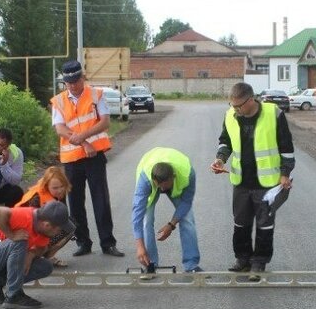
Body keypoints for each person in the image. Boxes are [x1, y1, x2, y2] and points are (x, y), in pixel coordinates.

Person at [212, 82, 295, 275]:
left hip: (267, 183)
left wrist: (285, 173)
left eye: (239, 106)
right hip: (241, 181)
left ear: (251, 100)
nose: (235, 109)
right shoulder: (230, 115)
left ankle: (259, 262)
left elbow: (286, 146)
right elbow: (225, 141)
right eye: (232, 105)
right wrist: (220, 159)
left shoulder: (273, 114)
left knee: (265, 224)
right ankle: (243, 259)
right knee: (240, 223)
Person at [51, 59, 123, 258]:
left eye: (76, 81)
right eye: (69, 83)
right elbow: (60, 128)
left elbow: (105, 122)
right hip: (72, 159)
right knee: (75, 202)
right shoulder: (58, 101)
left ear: (83, 77)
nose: (73, 86)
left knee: (101, 199)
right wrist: (84, 143)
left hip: (94, 157)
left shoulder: (96, 94)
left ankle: (108, 243)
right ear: (64, 83)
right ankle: (83, 242)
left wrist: (82, 137)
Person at [0, 200, 74, 309]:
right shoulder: (25, 216)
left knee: (45, 267)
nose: (60, 233)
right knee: (19, 241)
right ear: (47, 225)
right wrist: (11, 235)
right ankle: (13, 296)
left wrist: (30, 255)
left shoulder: (43, 230)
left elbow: (41, 248)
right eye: (59, 229)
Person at [130, 147, 202, 275]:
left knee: (188, 218)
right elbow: (137, 215)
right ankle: (150, 265)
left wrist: (171, 224)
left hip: (176, 177)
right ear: (153, 180)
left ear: (173, 177)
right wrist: (140, 247)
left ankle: (191, 265)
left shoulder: (188, 173)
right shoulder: (145, 179)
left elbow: (186, 202)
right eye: (159, 185)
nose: (162, 189)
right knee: (147, 220)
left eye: (165, 185)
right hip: (149, 171)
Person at [15, 165, 73, 267]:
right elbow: (32, 224)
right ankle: (34, 256)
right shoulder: (36, 199)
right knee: (62, 228)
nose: (59, 190)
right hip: (23, 230)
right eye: (55, 188)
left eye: (62, 186)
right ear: (47, 185)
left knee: (69, 227)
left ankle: (46, 256)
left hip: (39, 226)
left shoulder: (56, 194)